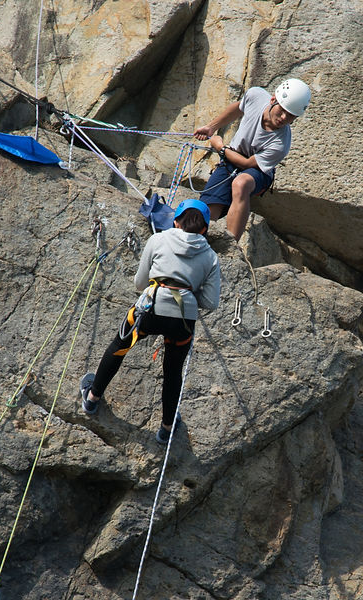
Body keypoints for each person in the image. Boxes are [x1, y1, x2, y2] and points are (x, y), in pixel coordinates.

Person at [80, 199, 221, 445]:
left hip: (150, 308)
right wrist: (186, 290)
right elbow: (210, 302)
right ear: (204, 229)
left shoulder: (158, 240)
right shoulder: (210, 257)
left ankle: (92, 398)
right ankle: (166, 427)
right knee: (173, 371)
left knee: (119, 347)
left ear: (176, 221)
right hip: (183, 319)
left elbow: (139, 283)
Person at [193, 78, 311, 241]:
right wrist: (211, 127)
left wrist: (220, 147)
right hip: (230, 160)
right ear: (273, 100)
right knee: (208, 211)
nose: (284, 117)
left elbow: (247, 164)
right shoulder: (256, 96)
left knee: (241, 183)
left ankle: (232, 246)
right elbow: (238, 108)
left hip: (257, 171)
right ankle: (199, 242)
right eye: (282, 110)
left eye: (291, 116)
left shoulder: (280, 144)